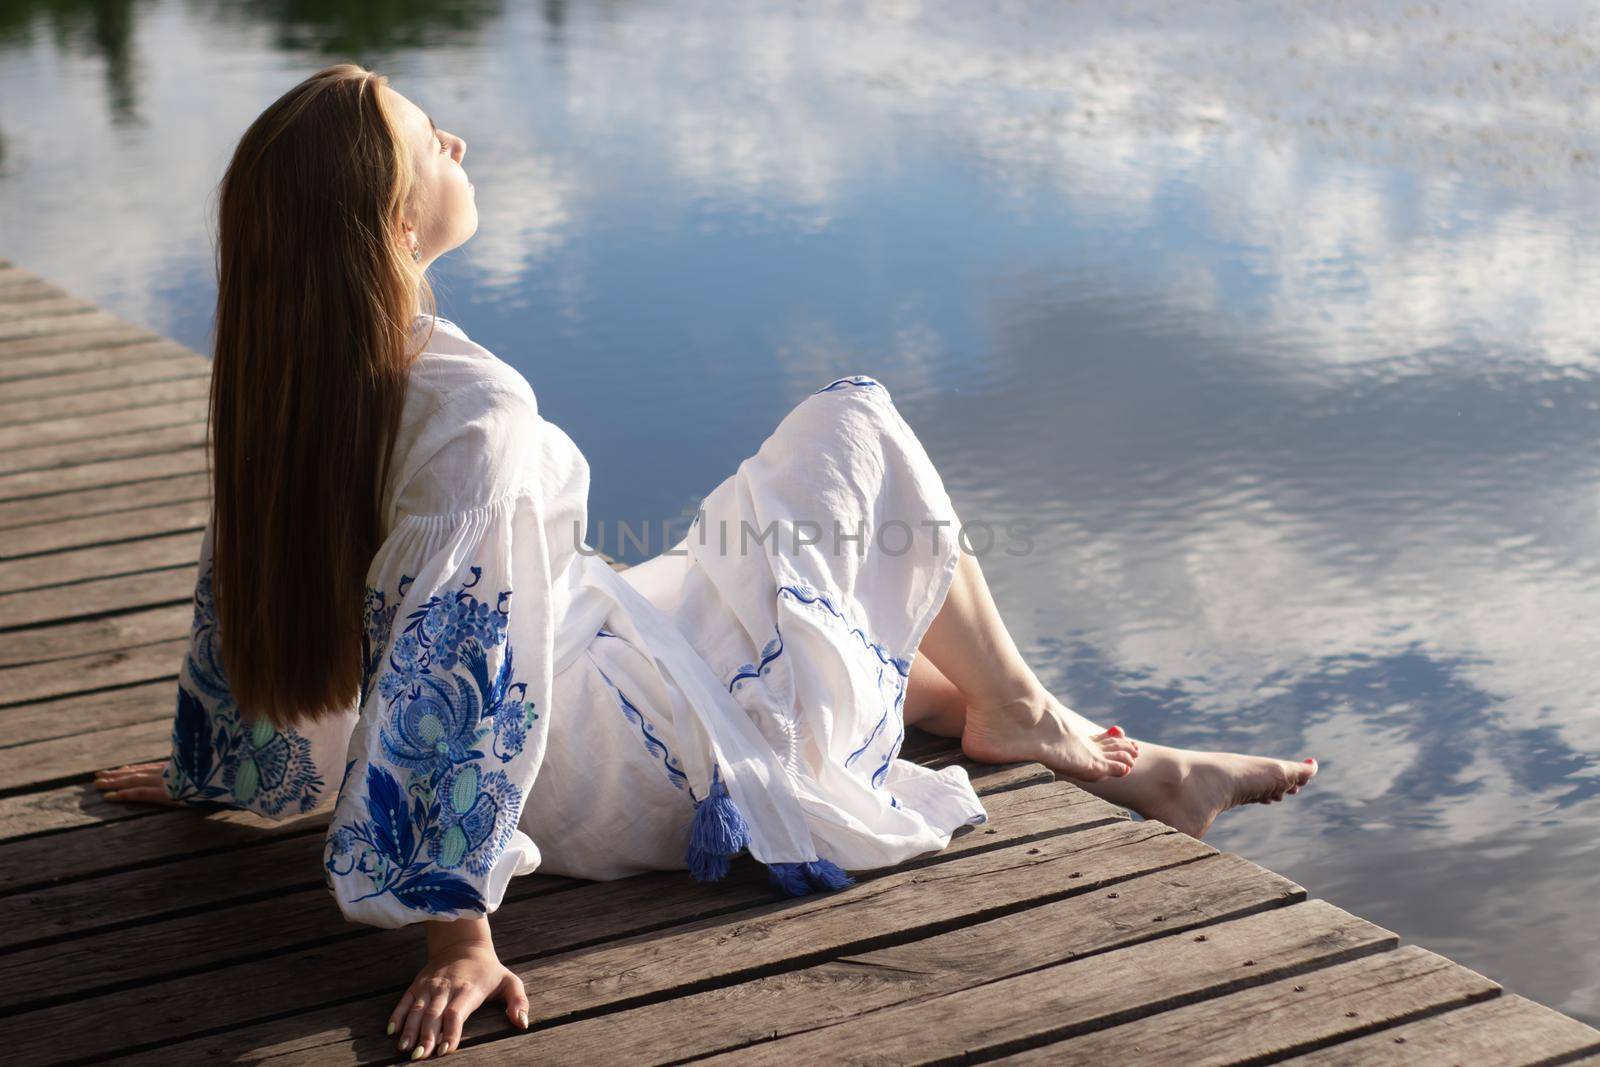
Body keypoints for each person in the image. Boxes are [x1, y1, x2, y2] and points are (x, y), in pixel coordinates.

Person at [91, 63, 1317, 1061]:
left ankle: (1111, 752)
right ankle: (1025, 712)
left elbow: (247, 593)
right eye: (429, 139)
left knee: (783, 594)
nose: (456, 138)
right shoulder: (474, 411)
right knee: (854, 425)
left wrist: (223, 768)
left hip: (587, 674)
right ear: (395, 218)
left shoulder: (283, 381)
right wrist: (453, 938)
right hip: (609, 758)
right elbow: (453, 671)